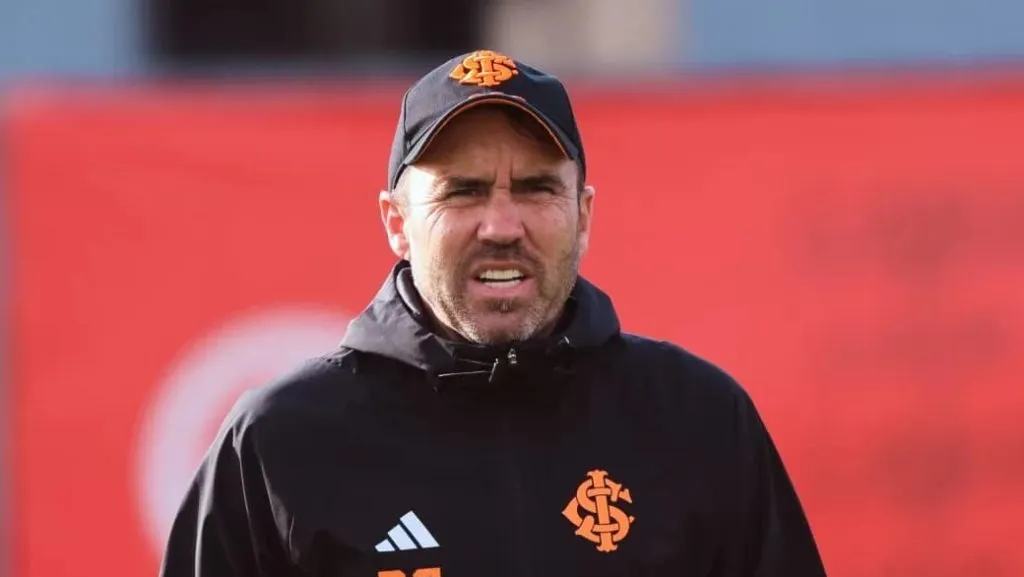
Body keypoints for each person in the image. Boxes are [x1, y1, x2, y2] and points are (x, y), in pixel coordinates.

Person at [159, 49, 828, 577]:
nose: (502, 225)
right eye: (463, 191)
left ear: (583, 215)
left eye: (536, 188)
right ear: (397, 222)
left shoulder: (700, 421)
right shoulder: (279, 444)